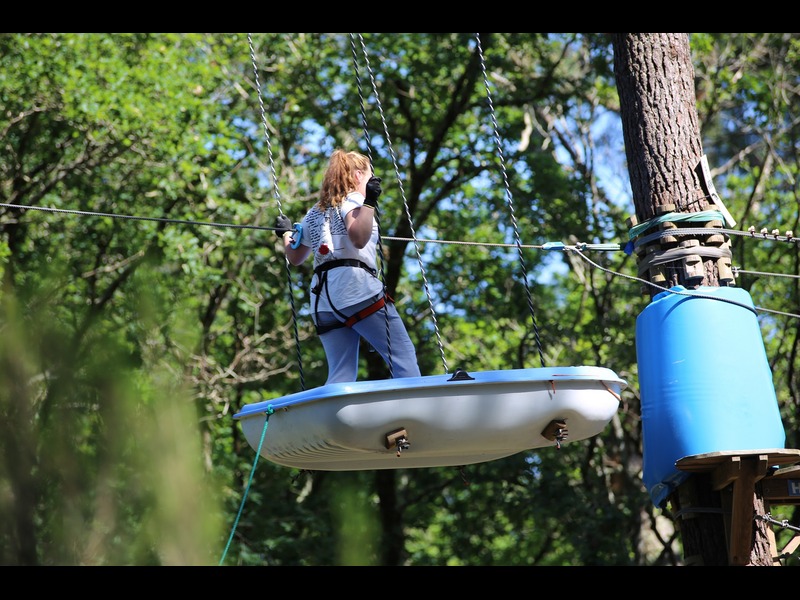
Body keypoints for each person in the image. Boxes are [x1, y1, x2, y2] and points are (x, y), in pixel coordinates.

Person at [275, 149, 421, 384]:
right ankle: (415, 403)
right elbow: (359, 238)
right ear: (358, 175)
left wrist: (285, 234)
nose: (372, 181)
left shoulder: (315, 212)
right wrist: (370, 202)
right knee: (402, 357)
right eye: (370, 176)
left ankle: (332, 408)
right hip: (355, 289)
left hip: (323, 299)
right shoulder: (354, 201)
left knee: (340, 374)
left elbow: (295, 257)